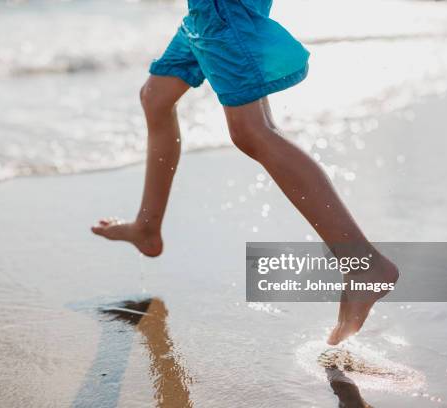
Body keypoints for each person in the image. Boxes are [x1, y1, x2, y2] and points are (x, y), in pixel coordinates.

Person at [91, 0, 398, 345]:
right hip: (207, 12)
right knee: (156, 96)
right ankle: (148, 228)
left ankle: (362, 263)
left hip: (220, 9)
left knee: (252, 130)